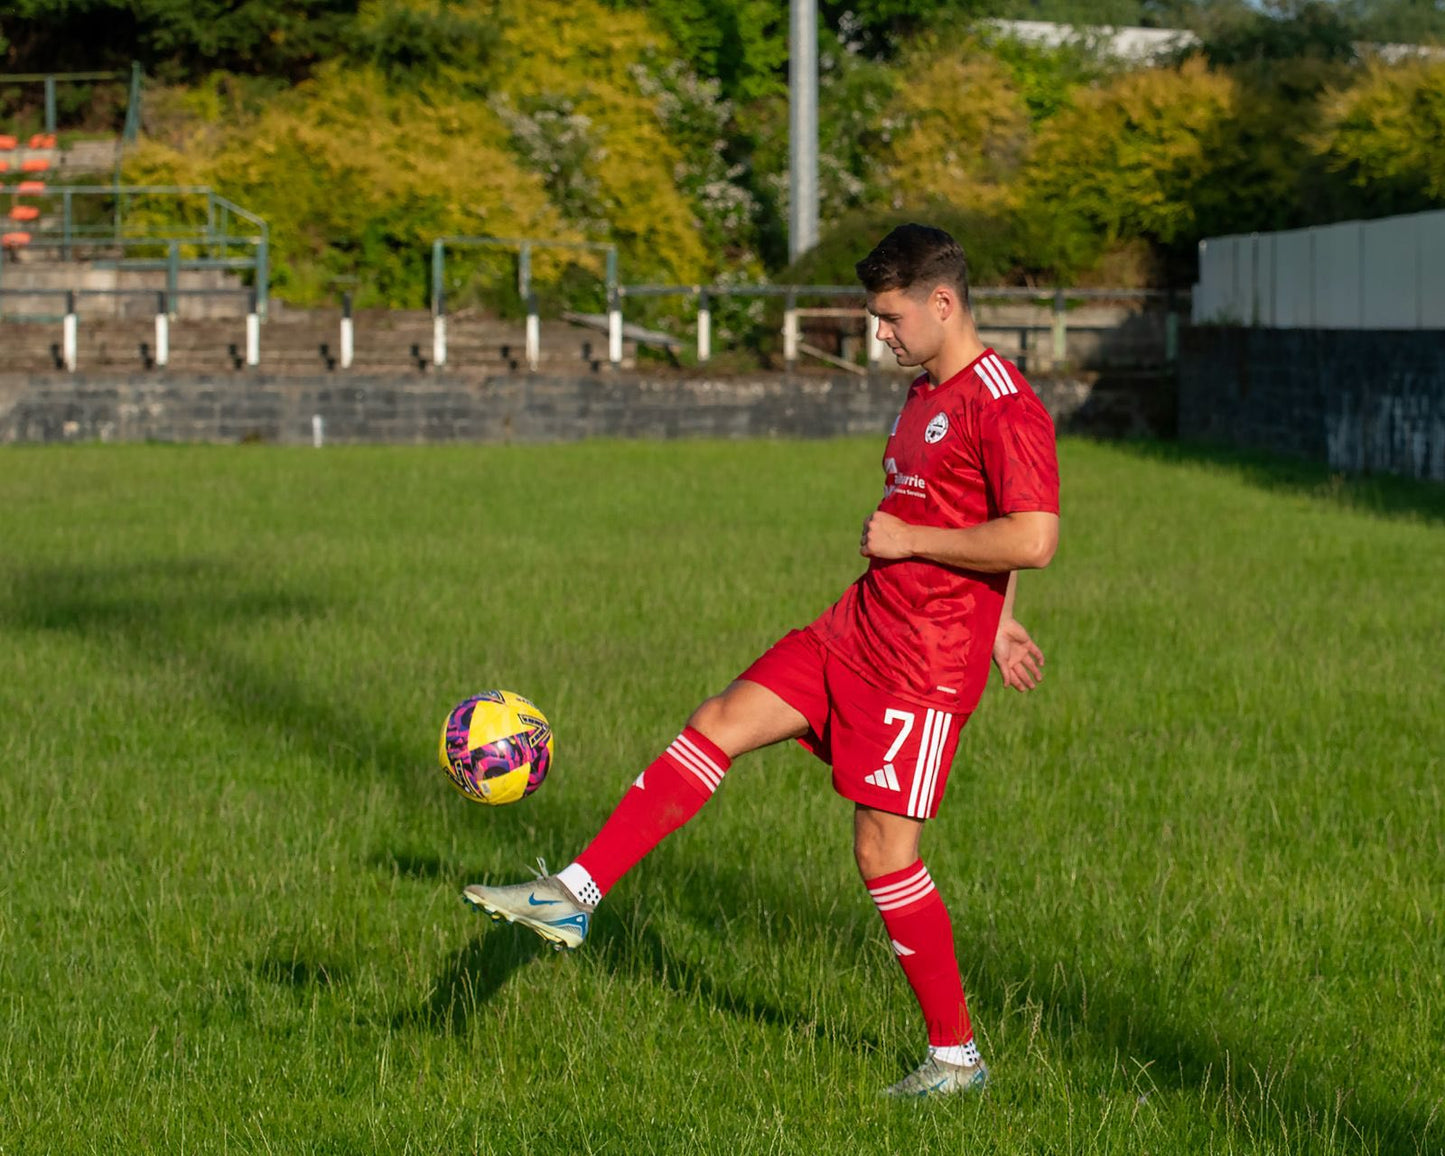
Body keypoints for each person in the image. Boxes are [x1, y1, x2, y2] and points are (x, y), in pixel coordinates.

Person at [463, 223, 1061, 1097]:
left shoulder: (1004, 403)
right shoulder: (925, 389)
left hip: (921, 668)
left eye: (890, 318)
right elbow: (984, 521)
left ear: (942, 303)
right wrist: (1001, 613)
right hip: (854, 629)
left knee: (882, 855)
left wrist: (918, 546)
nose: (880, 335)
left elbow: (1033, 535)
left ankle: (955, 1057)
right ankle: (574, 893)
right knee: (717, 722)